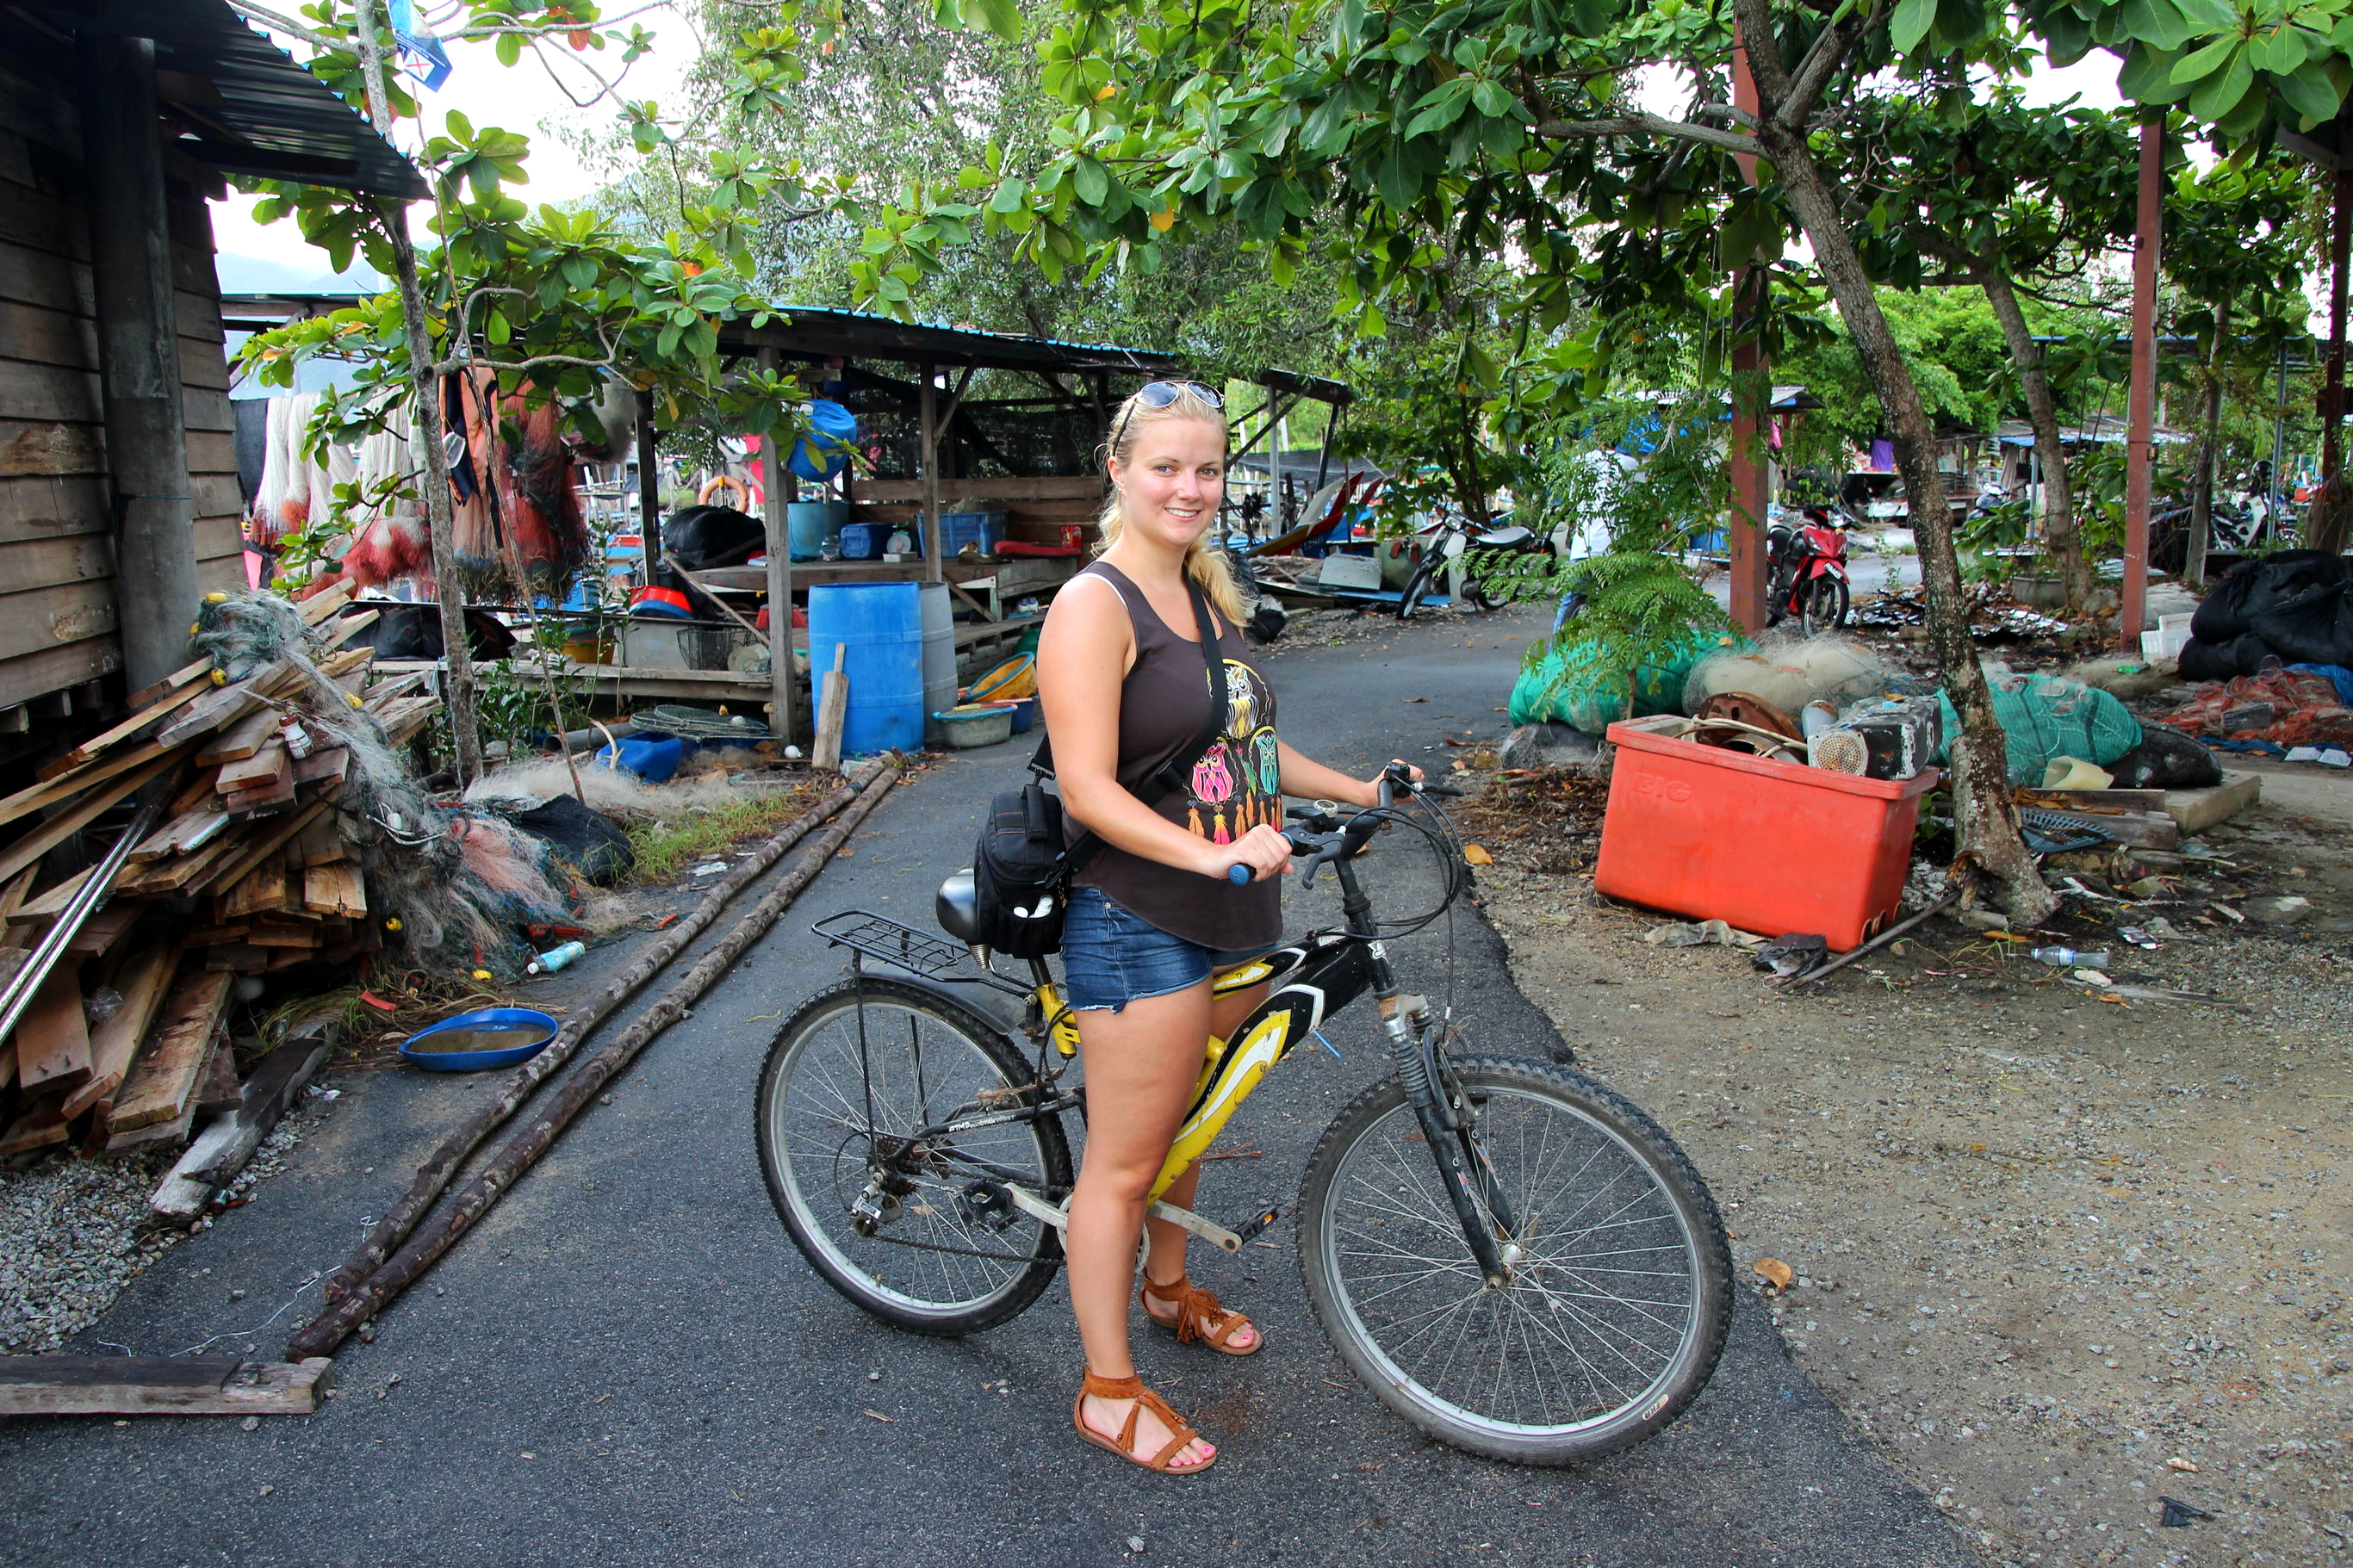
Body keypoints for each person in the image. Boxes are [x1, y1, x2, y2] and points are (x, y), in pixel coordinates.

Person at [1035, 381, 1417, 1475]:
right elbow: (1085, 790)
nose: (1189, 488)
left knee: (1190, 1123)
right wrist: (1207, 853)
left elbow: (1245, 747)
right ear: (1118, 470)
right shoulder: (1095, 605)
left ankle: (1166, 1291)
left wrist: (1361, 790)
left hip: (1230, 909)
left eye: (1206, 470)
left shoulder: (1204, 594)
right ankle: (1107, 1390)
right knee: (1124, 1162)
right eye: (1165, 467)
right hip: (1139, 914)